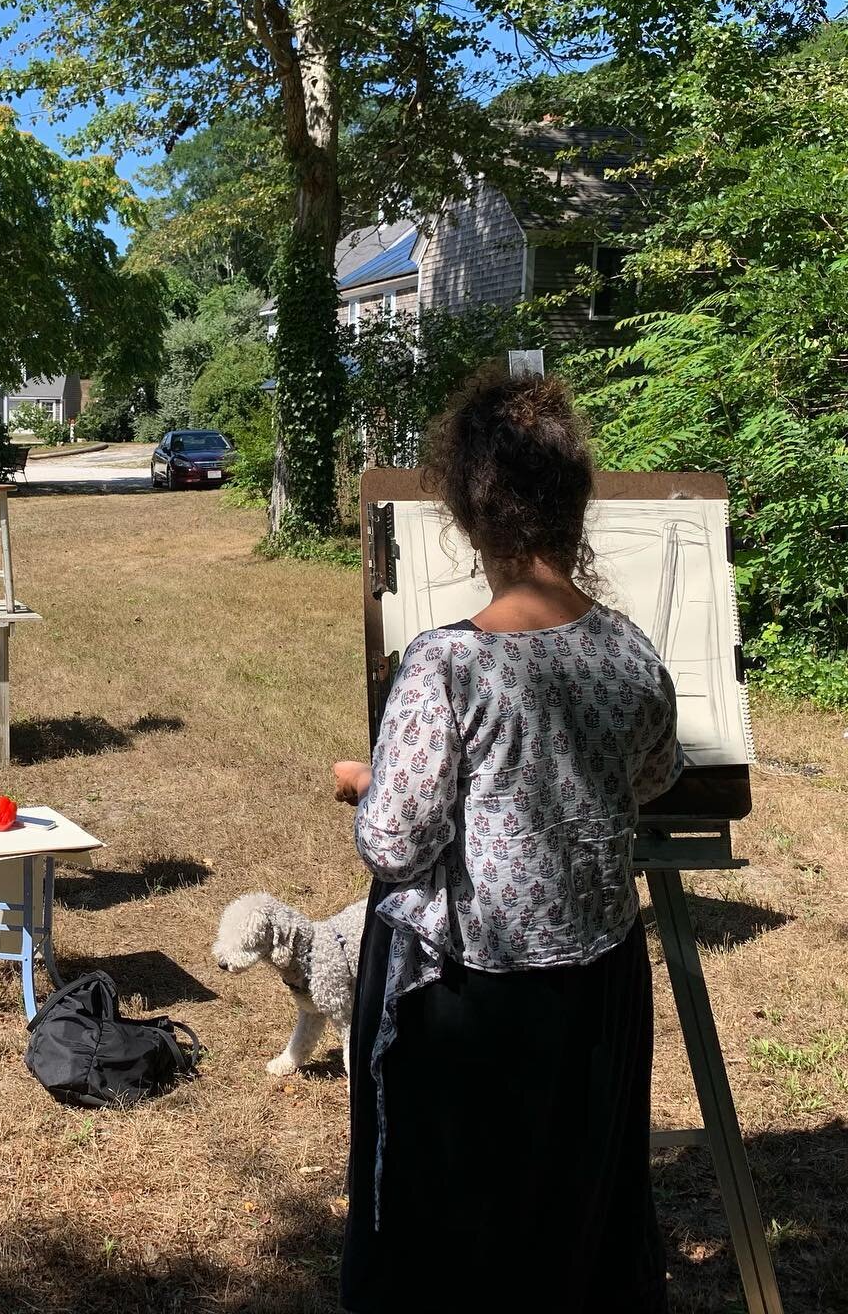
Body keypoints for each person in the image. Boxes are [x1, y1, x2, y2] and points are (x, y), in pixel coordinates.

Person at [333, 373, 682, 1313]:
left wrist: (364, 787)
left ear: (470, 521)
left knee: (454, 1237)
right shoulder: (628, 650)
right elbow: (653, 775)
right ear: (574, 510)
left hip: (467, 1002)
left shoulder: (447, 664)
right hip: (597, 987)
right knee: (568, 1216)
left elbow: (397, 846)